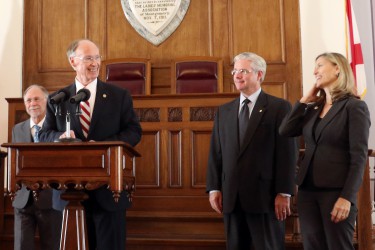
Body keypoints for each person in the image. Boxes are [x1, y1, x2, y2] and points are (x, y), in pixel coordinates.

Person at [39, 39, 142, 250]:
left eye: (97, 57)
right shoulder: (57, 98)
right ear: (73, 61)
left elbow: (133, 132)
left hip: (109, 190)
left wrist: (102, 146)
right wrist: (59, 137)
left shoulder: (119, 96)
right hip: (69, 192)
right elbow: (43, 134)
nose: (94, 63)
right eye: (88, 58)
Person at [206, 52, 297, 250]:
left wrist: (284, 192)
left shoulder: (279, 108)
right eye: (235, 71)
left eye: (243, 71)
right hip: (231, 199)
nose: (237, 75)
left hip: (265, 199)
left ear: (259, 75)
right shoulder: (224, 111)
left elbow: (287, 154)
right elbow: (216, 153)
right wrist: (214, 188)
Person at [279, 52, 370, 250]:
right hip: (307, 191)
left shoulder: (354, 107)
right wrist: (304, 100)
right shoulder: (313, 109)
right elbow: (285, 130)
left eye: (320, 65)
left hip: (336, 193)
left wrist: (347, 197)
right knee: (312, 246)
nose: (315, 71)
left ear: (338, 68)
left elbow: (359, 156)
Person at [12, 84, 66, 250]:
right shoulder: (18, 129)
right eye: (28, 100)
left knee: (51, 246)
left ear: (47, 101)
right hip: (23, 200)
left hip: (51, 199)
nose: (32, 103)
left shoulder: (59, 128)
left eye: (36, 99)